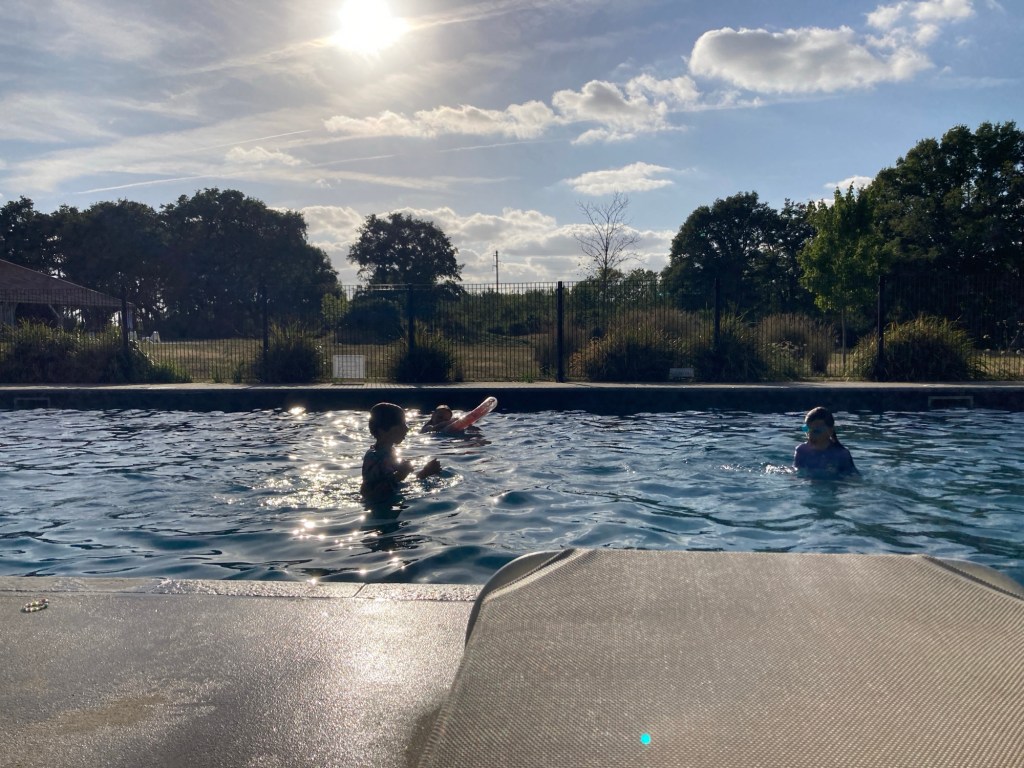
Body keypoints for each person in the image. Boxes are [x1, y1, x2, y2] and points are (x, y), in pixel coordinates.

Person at [362, 402, 442, 499]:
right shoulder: (374, 456)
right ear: (382, 431)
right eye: (402, 425)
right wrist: (401, 474)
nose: (407, 429)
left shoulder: (390, 452)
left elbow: (398, 483)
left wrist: (425, 473)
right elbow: (372, 493)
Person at [794, 406, 857, 475]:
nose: (810, 434)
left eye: (816, 431)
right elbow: (796, 474)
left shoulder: (841, 454)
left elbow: (854, 477)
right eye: (806, 429)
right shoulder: (802, 451)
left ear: (830, 431)